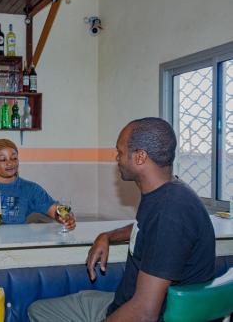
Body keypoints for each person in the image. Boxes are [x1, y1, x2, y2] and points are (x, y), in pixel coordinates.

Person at [28, 117, 216, 322]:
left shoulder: (170, 212)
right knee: (38, 310)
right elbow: (146, 229)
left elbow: (144, 313)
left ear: (140, 157)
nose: (117, 159)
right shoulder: (168, 192)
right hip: (122, 303)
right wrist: (108, 235)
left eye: (120, 152)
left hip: (136, 312)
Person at [0, 138, 76, 228]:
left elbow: (55, 209)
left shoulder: (30, 189)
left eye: (14, 158)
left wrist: (67, 215)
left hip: (19, 248)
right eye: (3, 159)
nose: (10, 163)